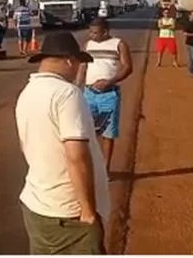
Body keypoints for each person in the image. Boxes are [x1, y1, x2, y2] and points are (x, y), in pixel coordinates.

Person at [15, 32, 110, 255]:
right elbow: (76, 156)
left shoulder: (27, 93)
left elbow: (26, 145)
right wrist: (88, 211)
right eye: (78, 63)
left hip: (37, 203)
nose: (79, 69)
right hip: (69, 212)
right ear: (69, 61)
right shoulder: (67, 94)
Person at [75, 17, 133, 169]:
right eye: (90, 32)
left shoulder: (119, 44)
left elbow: (128, 67)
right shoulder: (88, 45)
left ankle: (105, 168)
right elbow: (83, 67)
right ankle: (91, 165)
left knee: (108, 133)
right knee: (87, 130)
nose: (91, 35)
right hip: (89, 94)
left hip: (109, 95)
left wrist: (110, 81)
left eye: (95, 33)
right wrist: (76, 88)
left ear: (105, 32)